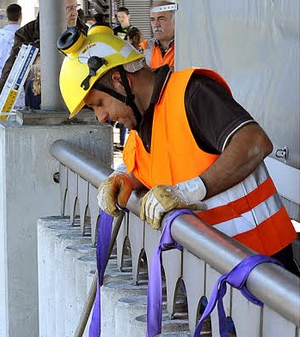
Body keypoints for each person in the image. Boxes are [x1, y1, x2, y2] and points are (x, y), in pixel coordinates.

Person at [57, 26, 298, 271]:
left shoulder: (192, 93)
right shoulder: (141, 119)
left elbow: (255, 142)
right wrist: (124, 179)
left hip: (262, 263)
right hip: (215, 267)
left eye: (99, 103)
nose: (100, 117)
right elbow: (148, 163)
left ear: (121, 81)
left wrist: (189, 191)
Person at [0, 2, 86, 103]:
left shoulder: (85, 31)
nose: (74, 13)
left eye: (75, 7)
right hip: (39, 97)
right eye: (68, 9)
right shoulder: (27, 33)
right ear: (53, 11)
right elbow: (13, 65)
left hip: (79, 97)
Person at [0, 4, 22, 81]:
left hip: (3, 79)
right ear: (20, 16)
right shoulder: (26, 35)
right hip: (22, 82)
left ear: (7, 16)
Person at [144, 2, 176, 69]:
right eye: (152, 20)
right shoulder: (144, 47)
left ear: (175, 20)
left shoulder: (188, 47)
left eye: (161, 19)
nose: (156, 24)